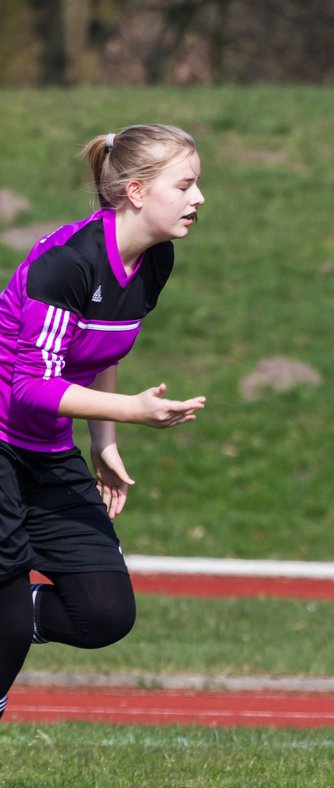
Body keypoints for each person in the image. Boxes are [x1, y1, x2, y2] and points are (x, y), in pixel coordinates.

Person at [0, 125, 207, 723]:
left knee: (104, 613)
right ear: (137, 191)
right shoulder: (66, 264)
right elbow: (28, 387)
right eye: (186, 185)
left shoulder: (154, 259)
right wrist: (133, 413)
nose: (199, 199)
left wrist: (105, 442)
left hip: (44, 446)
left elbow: (104, 348)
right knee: (7, 627)